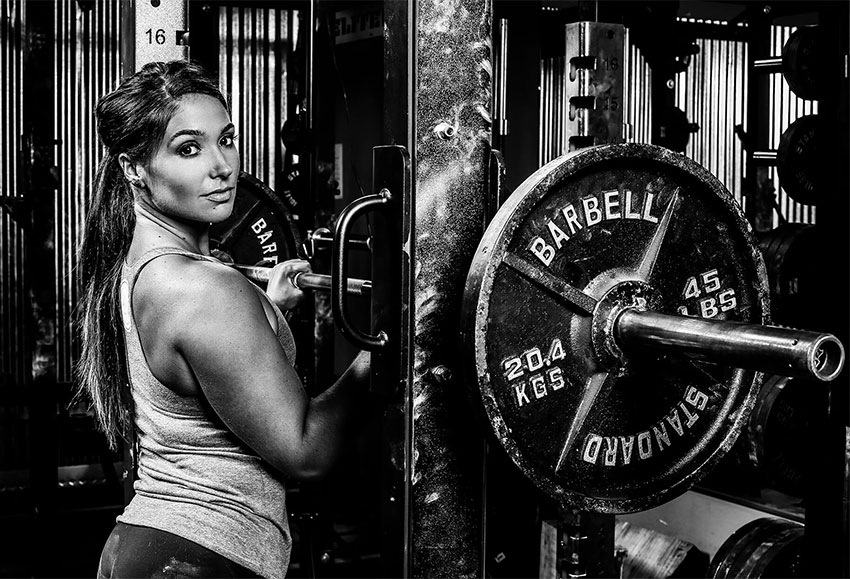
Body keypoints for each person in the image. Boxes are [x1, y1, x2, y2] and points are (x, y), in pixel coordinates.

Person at [74, 60, 371, 579]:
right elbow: (307, 449)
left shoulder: (141, 269)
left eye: (226, 139)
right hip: (199, 556)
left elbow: (203, 370)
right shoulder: (206, 291)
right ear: (133, 168)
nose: (222, 166)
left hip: (151, 547)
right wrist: (388, 347)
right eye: (189, 148)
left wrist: (267, 311)